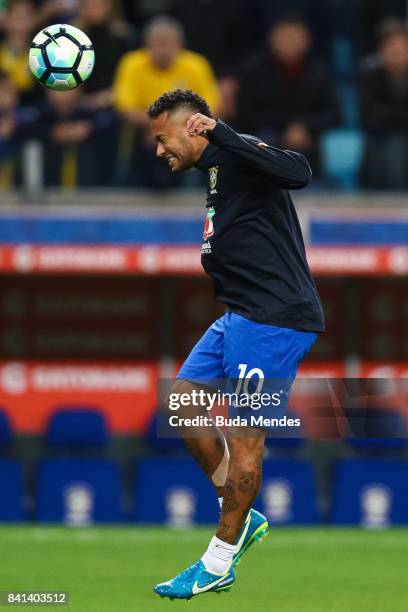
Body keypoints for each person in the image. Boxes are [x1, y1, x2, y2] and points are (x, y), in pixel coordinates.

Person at [147, 89, 324, 600]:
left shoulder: (237, 152)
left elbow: (299, 171)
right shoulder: (218, 173)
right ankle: (240, 512)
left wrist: (223, 132)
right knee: (182, 402)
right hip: (238, 316)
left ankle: (219, 560)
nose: (159, 150)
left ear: (193, 127)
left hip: (271, 319)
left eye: (164, 139)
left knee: (246, 440)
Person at [112, 15, 220, 188]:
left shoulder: (197, 65)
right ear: (147, 44)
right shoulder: (132, 64)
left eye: (168, 43)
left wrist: (168, 131)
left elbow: (210, 109)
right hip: (143, 134)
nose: (163, 49)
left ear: (180, 44)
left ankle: (192, 195)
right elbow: (125, 109)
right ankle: (129, 191)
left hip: (187, 133)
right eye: (157, 43)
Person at [236, 16, 338, 175]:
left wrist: (305, 127)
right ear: (272, 39)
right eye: (284, 37)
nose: (290, 43)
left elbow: (333, 113)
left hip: (308, 140)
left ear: (307, 40)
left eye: (295, 37)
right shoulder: (253, 70)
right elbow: (245, 113)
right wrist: (285, 129)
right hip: (265, 139)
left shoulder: (320, 72)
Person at [360, 19, 408, 189]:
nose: (397, 52)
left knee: (398, 145)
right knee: (390, 146)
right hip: (379, 138)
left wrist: (387, 112)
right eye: (391, 46)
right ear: (381, 51)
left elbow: (382, 113)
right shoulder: (369, 77)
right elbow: (367, 116)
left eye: (402, 47)